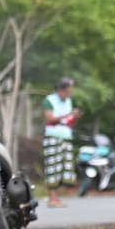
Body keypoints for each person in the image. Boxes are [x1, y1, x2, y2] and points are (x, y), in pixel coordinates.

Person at [42, 77, 80, 207]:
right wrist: (68, 114)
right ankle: (52, 198)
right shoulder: (50, 100)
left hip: (66, 135)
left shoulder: (68, 101)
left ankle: (56, 197)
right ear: (60, 90)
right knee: (53, 167)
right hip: (53, 136)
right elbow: (49, 118)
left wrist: (74, 117)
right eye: (67, 92)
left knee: (63, 168)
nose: (68, 94)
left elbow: (69, 122)